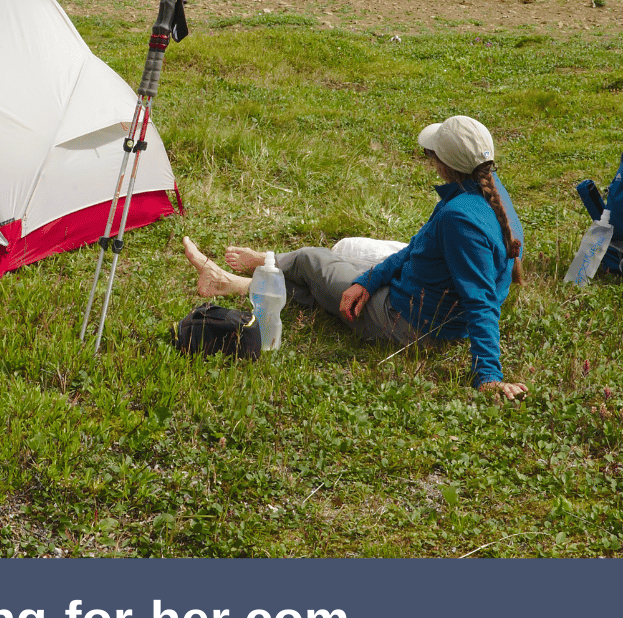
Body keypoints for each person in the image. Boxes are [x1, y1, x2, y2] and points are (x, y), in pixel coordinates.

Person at [182, 114, 528, 402]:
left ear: (444, 165)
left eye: (431, 154)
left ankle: (262, 265)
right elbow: (418, 249)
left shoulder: (459, 218)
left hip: (405, 319)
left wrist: (489, 376)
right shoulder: (488, 191)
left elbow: (480, 300)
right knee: (339, 264)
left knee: (310, 260)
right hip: (419, 294)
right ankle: (235, 282)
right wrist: (367, 280)